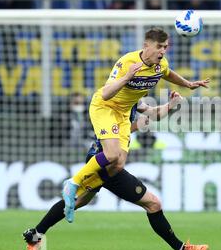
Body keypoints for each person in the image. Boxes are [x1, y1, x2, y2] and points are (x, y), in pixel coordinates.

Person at [23, 93, 208, 250]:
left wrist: (171, 104)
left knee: (78, 201)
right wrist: (138, 124)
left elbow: (153, 113)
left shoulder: (133, 100)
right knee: (153, 204)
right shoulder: (116, 100)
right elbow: (118, 129)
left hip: (102, 159)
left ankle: (35, 235)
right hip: (107, 163)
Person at [61, 27, 210, 224]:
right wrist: (127, 77)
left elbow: (167, 74)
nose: (163, 51)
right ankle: (72, 183)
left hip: (122, 115)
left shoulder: (157, 69)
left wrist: (187, 84)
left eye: (165, 47)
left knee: (117, 165)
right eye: (159, 47)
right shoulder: (127, 62)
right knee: (112, 156)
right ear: (146, 46)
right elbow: (105, 94)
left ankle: (72, 203)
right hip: (105, 107)